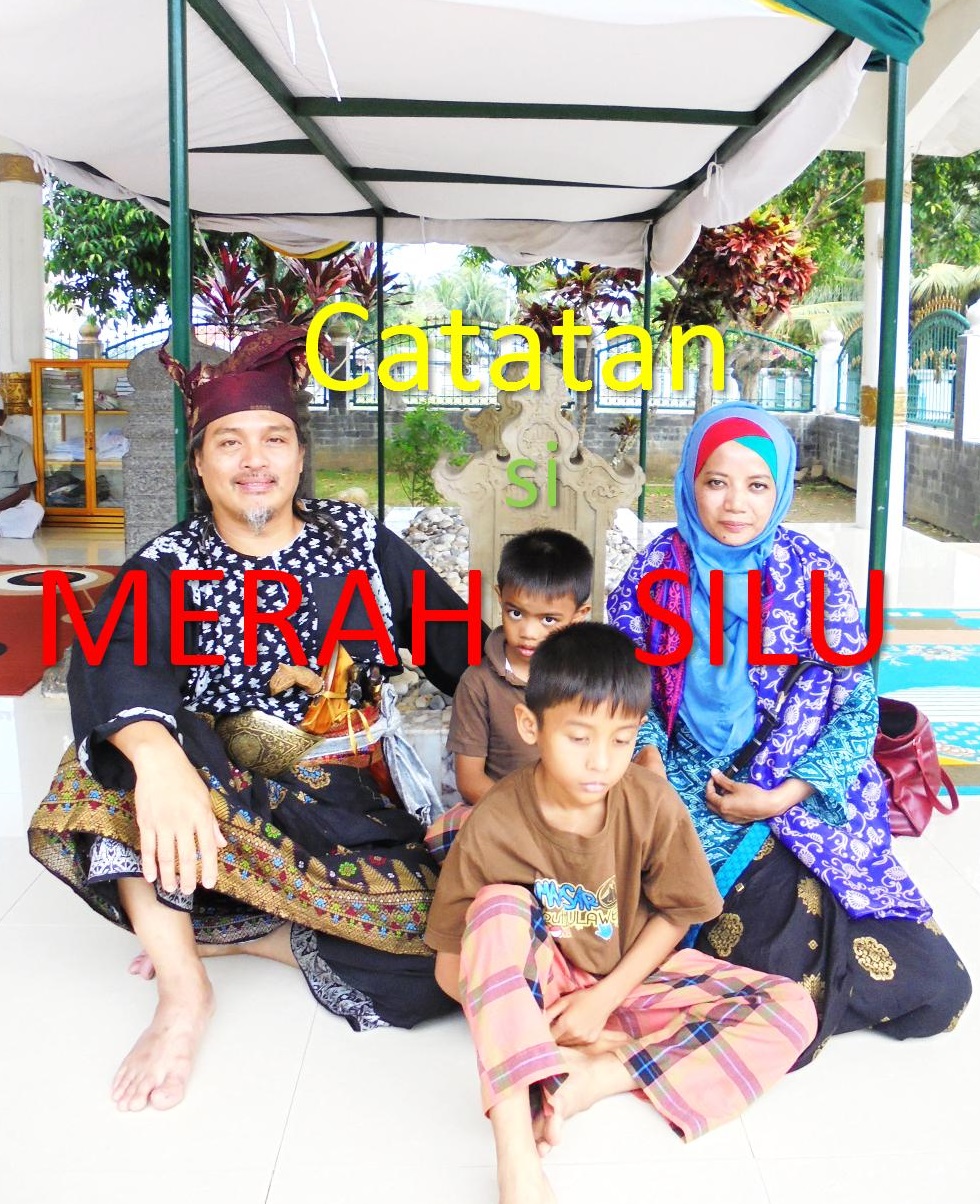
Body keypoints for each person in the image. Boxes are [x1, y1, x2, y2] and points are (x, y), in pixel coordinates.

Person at [28, 325, 481, 1112]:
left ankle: (249, 931)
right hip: (221, 796)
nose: (254, 460)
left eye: (273, 438)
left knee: (449, 954)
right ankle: (183, 989)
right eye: (228, 442)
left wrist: (548, 713)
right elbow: (114, 655)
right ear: (200, 464)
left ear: (300, 456)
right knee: (107, 765)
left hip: (349, 806)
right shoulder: (169, 564)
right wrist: (156, 757)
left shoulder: (361, 545)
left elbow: (464, 651)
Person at [608, 401, 971, 1064]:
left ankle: (758, 1006)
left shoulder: (814, 577)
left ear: (780, 491)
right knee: (728, 942)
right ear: (689, 483)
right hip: (683, 796)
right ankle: (757, 1006)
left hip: (798, 802)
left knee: (939, 989)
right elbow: (620, 687)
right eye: (716, 482)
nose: (735, 504)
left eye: (757, 485)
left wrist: (780, 797)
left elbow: (855, 711)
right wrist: (651, 767)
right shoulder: (655, 571)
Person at [425, 624, 817, 1204]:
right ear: (531, 726)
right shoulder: (497, 820)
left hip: (632, 979)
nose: (600, 762)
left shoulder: (651, 801)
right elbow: (448, 968)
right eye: (578, 737)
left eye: (620, 740)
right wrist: (524, 1016)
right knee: (498, 905)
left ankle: (597, 1074)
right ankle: (516, 1152)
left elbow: (678, 915)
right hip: (547, 986)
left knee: (791, 1009)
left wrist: (602, 1002)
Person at [427, 529, 592, 862]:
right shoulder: (478, 683)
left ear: (580, 614)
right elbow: (470, 780)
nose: (528, 632)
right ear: (499, 597)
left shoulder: (591, 678)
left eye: (548, 620)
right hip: (507, 811)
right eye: (515, 613)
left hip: (579, 812)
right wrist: (531, 815)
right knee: (444, 835)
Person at [0, 403, 44, 538]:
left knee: (34, 510)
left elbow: (25, 490)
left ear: (2, 418)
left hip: (9, 508)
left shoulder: (20, 446)